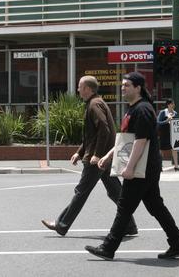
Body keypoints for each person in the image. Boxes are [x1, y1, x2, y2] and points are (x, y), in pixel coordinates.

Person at [85, 72, 179, 260]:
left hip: (144, 167)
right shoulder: (132, 109)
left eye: (127, 85)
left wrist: (130, 168)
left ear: (138, 88)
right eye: (122, 85)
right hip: (144, 166)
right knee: (155, 206)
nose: (123, 88)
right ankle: (178, 244)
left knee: (125, 206)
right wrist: (108, 155)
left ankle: (108, 247)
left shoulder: (143, 109)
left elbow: (141, 141)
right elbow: (126, 140)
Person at [41, 76, 138, 236]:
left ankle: (61, 224)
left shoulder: (94, 105)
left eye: (80, 86)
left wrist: (97, 155)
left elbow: (104, 130)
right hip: (102, 159)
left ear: (88, 89)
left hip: (97, 159)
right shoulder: (94, 103)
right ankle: (129, 226)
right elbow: (91, 136)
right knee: (115, 192)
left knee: (81, 192)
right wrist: (79, 152)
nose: (78, 89)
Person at [157, 98, 179, 171]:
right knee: (162, 150)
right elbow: (158, 122)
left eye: (174, 103)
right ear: (168, 104)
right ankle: (160, 166)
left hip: (172, 134)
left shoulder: (175, 113)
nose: (174, 105)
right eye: (172, 103)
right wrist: (166, 121)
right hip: (164, 133)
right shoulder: (163, 112)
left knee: (174, 149)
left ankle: (176, 166)